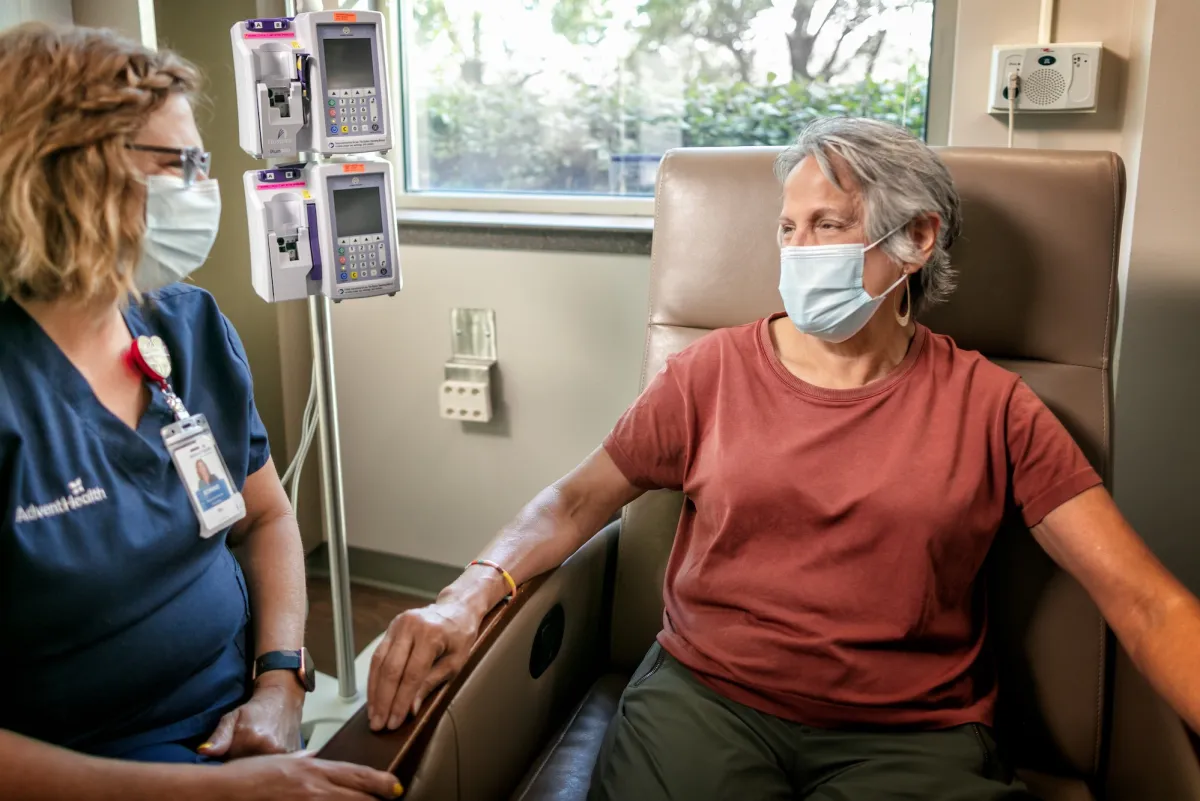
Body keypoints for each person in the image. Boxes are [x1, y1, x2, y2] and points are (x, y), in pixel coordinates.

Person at [367, 117, 1200, 800]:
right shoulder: (712, 374)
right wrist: (464, 597)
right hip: (707, 701)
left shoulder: (995, 408)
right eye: (788, 229)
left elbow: (1146, 603)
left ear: (915, 238)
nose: (800, 253)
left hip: (910, 737)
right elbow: (575, 501)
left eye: (829, 226)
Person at [0, 24, 399, 800]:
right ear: (70, 174)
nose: (202, 185)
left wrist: (280, 681)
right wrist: (210, 792)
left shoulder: (187, 327)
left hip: (240, 718)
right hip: (88, 769)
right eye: (180, 164)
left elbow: (266, 518)